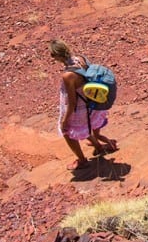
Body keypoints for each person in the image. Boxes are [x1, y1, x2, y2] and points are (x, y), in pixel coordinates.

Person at [49, 39, 118, 170]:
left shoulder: (68, 75)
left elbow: (72, 101)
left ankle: (82, 160)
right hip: (89, 102)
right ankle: (98, 146)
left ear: (57, 56)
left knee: (67, 132)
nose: (52, 57)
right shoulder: (81, 59)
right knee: (85, 126)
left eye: (52, 55)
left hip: (79, 109)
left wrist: (64, 121)